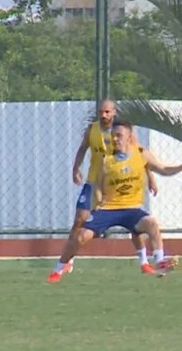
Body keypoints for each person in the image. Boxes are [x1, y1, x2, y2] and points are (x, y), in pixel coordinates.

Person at [47, 120, 180, 283]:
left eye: (119, 135)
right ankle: (58, 269)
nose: (115, 139)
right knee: (81, 236)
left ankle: (159, 260)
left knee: (151, 223)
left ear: (129, 137)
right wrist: (98, 203)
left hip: (132, 210)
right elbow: (97, 185)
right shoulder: (107, 160)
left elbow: (164, 169)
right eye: (113, 136)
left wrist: (180, 166)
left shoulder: (141, 153)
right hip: (108, 209)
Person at [67, 99, 159, 275]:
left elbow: (140, 156)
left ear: (114, 112)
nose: (104, 115)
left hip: (120, 184)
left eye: (107, 112)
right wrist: (75, 168)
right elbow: (82, 149)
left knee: (134, 223)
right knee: (80, 219)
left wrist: (151, 178)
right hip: (94, 182)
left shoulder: (125, 133)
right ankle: (68, 260)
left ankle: (144, 262)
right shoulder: (92, 130)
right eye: (101, 111)